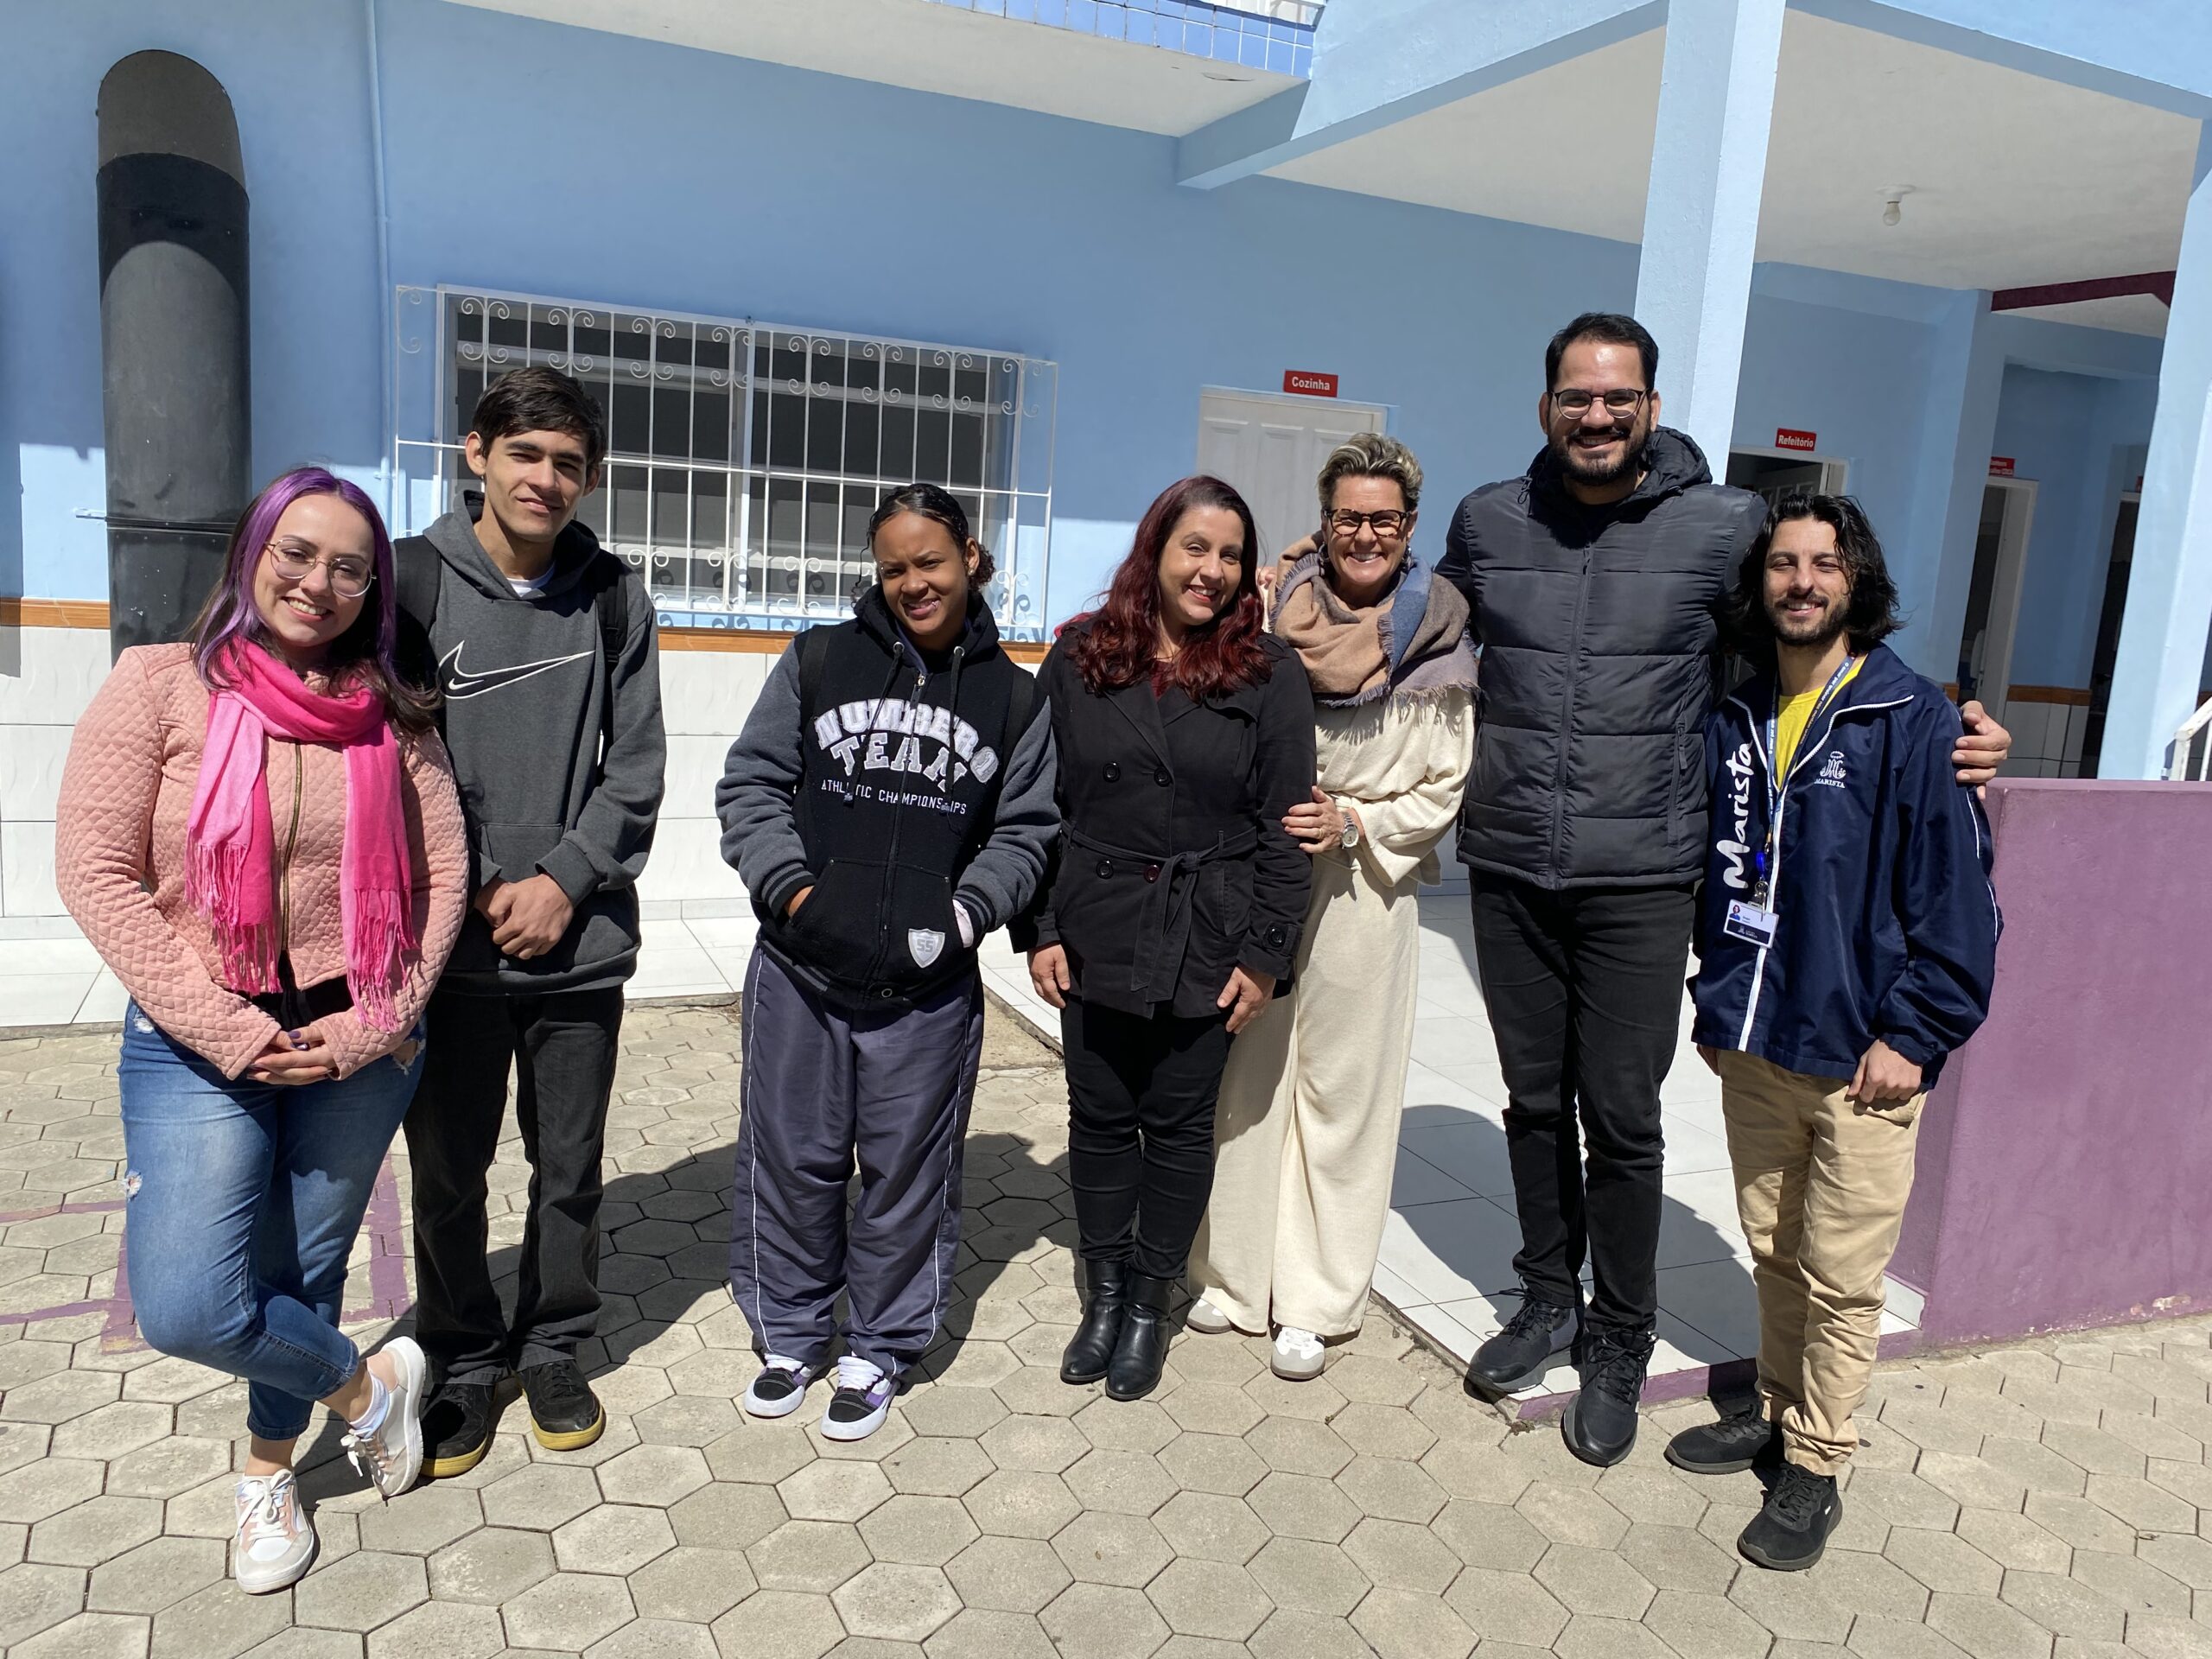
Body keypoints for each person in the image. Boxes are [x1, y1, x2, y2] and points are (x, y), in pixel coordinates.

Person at [1438, 312, 2012, 1464]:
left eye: (1618, 397)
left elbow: (1812, 644)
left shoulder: (1722, 525)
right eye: (1576, 396)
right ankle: (1545, 1296)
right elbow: (1414, 637)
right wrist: (1300, 588)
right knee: (1533, 1101)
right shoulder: (1488, 520)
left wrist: (1945, 731)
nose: (1596, 415)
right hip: (1509, 863)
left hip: (1646, 876)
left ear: (1651, 407)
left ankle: (1617, 1336)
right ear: (1545, 405)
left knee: (1622, 1115)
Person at [55, 467, 469, 1592]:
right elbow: (95, 874)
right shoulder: (156, 685)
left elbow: (441, 879)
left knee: (306, 1266)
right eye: (297, 552)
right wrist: (228, 1030)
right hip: (196, 1042)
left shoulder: (394, 713)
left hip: (355, 1042)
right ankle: (370, 1388)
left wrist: (377, 1023)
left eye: (350, 568)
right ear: (252, 551)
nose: (318, 582)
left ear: (372, 591)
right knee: (189, 1303)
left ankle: (267, 1473)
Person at [1668, 492, 1999, 1569]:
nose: (1800, 582)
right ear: (1759, 582)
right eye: (1782, 563)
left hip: (1865, 1061)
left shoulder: (1909, 719)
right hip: (1756, 1043)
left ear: (1854, 581)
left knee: (1842, 1276)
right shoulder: (1738, 714)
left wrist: (1916, 1035)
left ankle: (1816, 1462)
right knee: (1773, 1249)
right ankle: (1772, 1411)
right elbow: (1724, 875)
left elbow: (1960, 898)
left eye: (1822, 563)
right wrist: (1720, 1002)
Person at [715, 484, 1058, 1440]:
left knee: (908, 1172)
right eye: (894, 568)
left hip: (927, 989)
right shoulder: (819, 659)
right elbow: (752, 784)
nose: (914, 583)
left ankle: (879, 1346)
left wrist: (965, 916)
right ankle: (791, 1334)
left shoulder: (1014, 698)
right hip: (801, 972)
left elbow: (1027, 832)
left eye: (930, 562)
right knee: (792, 1158)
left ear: (970, 559)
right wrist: (794, 893)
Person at [398, 366, 666, 1475]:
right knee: (447, 1177)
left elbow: (636, 766)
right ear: (477, 454)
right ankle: (462, 1358)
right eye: (524, 454)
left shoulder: (613, 596)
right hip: (444, 958)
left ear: (588, 479)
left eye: (567, 463)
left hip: (578, 952)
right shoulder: (409, 584)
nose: (544, 479)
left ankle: (552, 1344)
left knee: (568, 1171)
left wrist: (563, 881)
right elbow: (382, 763)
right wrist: (465, 885)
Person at [1018, 476, 1317, 1402]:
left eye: (1230, 554)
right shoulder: (1080, 655)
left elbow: (1286, 828)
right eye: (1196, 547)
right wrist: (1040, 926)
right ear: (1155, 549)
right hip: (1095, 924)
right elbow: (1038, 806)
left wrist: (1265, 956)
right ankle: (1103, 1295)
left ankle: (1150, 1303)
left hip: (1207, 932)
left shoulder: (1267, 671)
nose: (1212, 570)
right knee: (1101, 1119)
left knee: (1180, 1127)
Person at [1187, 435, 1478, 1380]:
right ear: (1324, 521)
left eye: (1383, 519)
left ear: (1409, 526)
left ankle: (1315, 1298)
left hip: (1367, 885)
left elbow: (1444, 785)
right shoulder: (1272, 609)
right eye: (1348, 517)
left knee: (1345, 1091)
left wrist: (1354, 820)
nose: (1365, 535)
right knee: (1250, 1069)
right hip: (1263, 876)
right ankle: (1232, 1275)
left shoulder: (1438, 636)